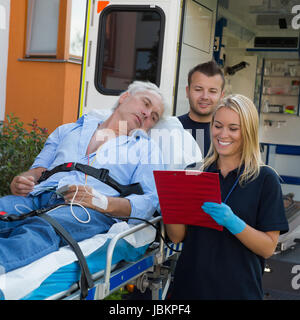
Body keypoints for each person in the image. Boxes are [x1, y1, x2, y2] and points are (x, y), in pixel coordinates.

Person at [0, 81, 165, 273]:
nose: (147, 114)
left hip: (86, 211)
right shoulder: (67, 130)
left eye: (154, 116)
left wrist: (102, 202)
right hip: (38, 198)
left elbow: (150, 201)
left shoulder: (146, 149)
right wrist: (22, 180)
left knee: (40, 229)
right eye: (145, 103)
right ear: (124, 97)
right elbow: (38, 171)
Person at [166, 94, 289, 300]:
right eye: (218, 125)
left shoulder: (265, 179)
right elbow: (178, 237)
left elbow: (268, 248)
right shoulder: (195, 172)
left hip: (238, 291)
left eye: (233, 128)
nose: (223, 134)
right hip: (190, 289)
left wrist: (233, 223)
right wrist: (171, 206)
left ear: (247, 132)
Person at [178, 60, 225, 157]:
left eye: (212, 91)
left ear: (221, 96)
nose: (205, 96)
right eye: (198, 89)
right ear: (187, 91)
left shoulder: (227, 136)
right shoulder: (171, 128)